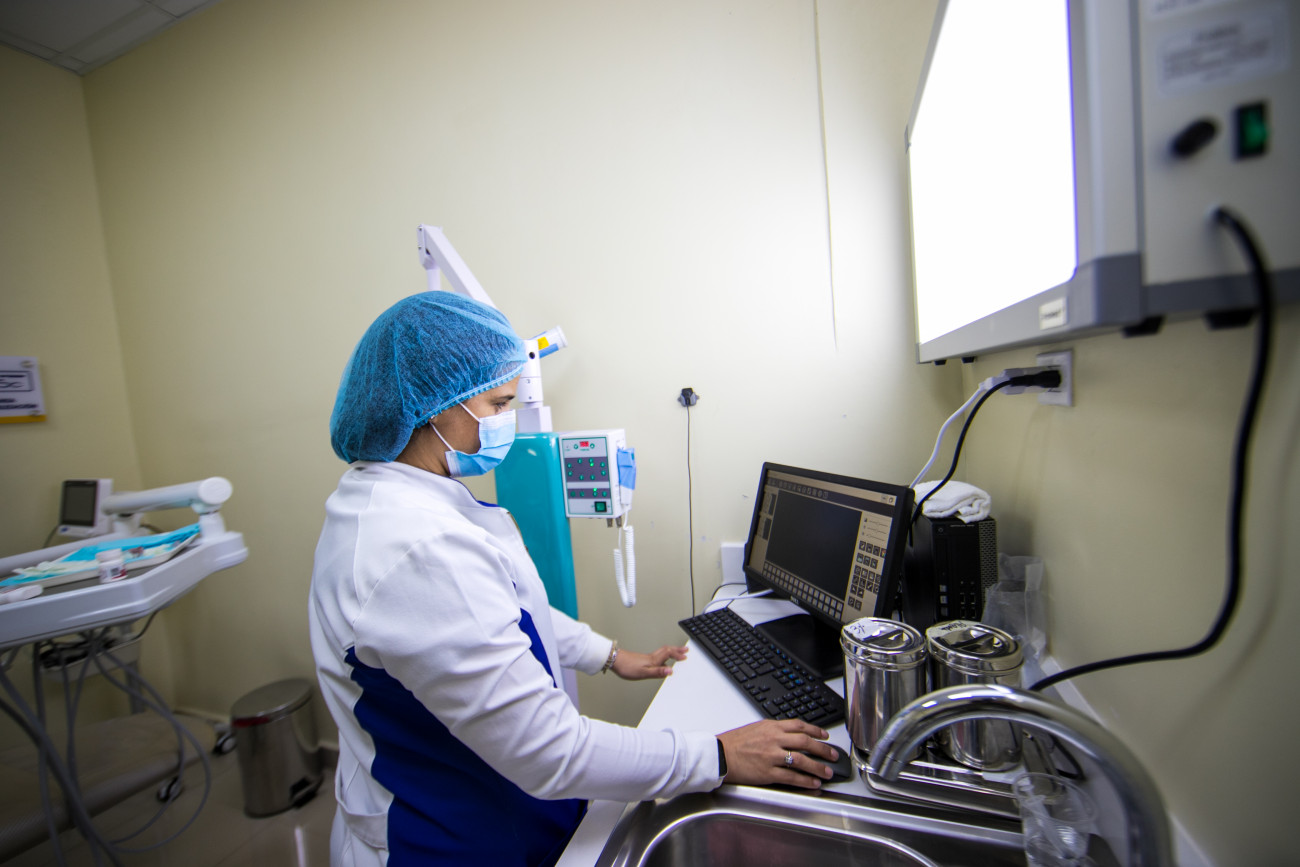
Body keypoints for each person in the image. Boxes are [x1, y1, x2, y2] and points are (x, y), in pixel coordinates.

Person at [309, 292, 838, 866]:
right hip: (443, 841)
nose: (508, 420)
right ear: (435, 407)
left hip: (494, 805)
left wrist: (610, 656)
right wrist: (718, 756)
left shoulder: (398, 502)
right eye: (498, 403)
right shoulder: (417, 547)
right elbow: (549, 749)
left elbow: (502, 614)